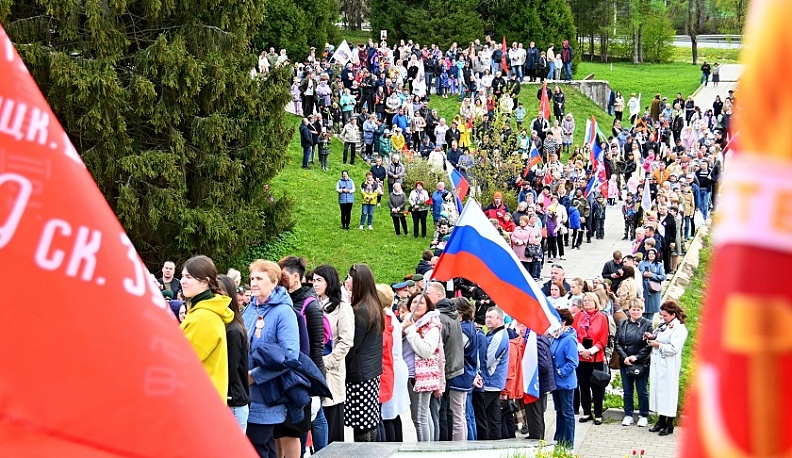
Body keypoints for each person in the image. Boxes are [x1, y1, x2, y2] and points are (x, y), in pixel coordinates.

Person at [243, 260, 300, 458]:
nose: (254, 282)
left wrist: (255, 376)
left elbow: (290, 356)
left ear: (274, 282)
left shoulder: (283, 312)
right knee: (262, 447)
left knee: (258, 446)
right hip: (245, 394)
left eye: (259, 278)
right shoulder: (250, 308)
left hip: (267, 394)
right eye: (252, 278)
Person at [179, 256, 234, 400]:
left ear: (205, 282)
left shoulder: (204, 317)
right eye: (182, 276)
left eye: (189, 277)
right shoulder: (201, 311)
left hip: (198, 403)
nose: (182, 281)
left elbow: (182, 362)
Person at [313, 265, 354, 444]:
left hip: (332, 370)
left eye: (319, 280)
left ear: (329, 281)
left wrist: (328, 361)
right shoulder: (313, 304)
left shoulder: (342, 308)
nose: (315, 284)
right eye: (313, 280)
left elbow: (346, 341)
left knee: (332, 423)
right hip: (314, 369)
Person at [344, 264, 385, 442]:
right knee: (369, 421)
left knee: (361, 424)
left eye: (349, 277)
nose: (346, 281)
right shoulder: (373, 304)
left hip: (359, 373)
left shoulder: (359, 310)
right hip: (371, 370)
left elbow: (352, 345)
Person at [402, 292, 445, 442]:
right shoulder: (412, 322)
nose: (416, 305)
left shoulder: (431, 325)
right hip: (411, 375)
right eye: (414, 302)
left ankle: (424, 450)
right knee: (424, 416)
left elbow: (426, 351)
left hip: (421, 377)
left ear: (428, 306)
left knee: (419, 419)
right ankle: (429, 448)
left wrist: (410, 331)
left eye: (421, 302)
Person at [426, 282, 465, 442]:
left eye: (428, 294)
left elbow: (435, 349)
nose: (425, 297)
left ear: (439, 296)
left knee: (439, 412)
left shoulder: (440, 317)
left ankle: (441, 444)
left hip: (444, 371)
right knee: (445, 411)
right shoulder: (452, 313)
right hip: (453, 368)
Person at [647, 300, 689, 436]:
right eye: (662, 315)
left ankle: (669, 423)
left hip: (669, 364)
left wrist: (658, 345)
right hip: (658, 363)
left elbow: (674, 348)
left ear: (673, 315)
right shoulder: (664, 325)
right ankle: (661, 420)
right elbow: (659, 337)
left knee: (668, 394)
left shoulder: (679, 329)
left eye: (665, 315)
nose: (663, 318)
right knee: (659, 392)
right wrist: (651, 337)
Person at [376, 284, 410, 442]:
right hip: (395, 367)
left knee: (388, 415)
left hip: (390, 368)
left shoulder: (386, 319)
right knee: (392, 415)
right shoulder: (390, 317)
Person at [217, 274, 251, 432]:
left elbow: (230, 370)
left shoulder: (233, 330)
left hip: (234, 403)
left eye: (220, 294)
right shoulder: (222, 325)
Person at [448, 297, 483, 441]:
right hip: (466, 375)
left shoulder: (464, 330)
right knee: (464, 414)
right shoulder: (470, 326)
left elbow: (457, 349)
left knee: (460, 415)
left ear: (460, 312)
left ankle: (463, 445)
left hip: (461, 376)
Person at [572, 292, 609, 425]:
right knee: (583, 385)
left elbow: (603, 338)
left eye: (589, 300)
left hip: (595, 357)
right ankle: (586, 412)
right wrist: (582, 349)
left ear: (595, 302)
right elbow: (573, 334)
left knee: (596, 386)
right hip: (581, 356)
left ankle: (598, 413)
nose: (586, 302)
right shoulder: (578, 316)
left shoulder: (602, 317)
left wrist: (591, 351)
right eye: (585, 300)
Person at [615, 298, 653, 428]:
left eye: (639, 309)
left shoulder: (647, 323)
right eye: (633, 309)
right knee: (627, 390)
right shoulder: (622, 323)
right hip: (625, 361)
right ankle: (628, 414)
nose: (636, 312)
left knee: (642, 390)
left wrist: (636, 357)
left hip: (640, 362)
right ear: (629, 310)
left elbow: (648, 345)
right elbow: (617, 342)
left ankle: (643, 415)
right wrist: (625, 357)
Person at [473, 306, 510, 440]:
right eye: (486, 317)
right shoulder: (493, 333)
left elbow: (488, 360)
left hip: (490, 382)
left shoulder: (499, 336)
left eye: (491, 317)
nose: (487, 320)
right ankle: (496, 443)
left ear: (500, 319)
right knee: (493, 418)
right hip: (494, 382)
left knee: (482, 415)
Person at [550, 308, 579, 448]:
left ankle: (568, 442)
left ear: (563, 322)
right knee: (559, 411)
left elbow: (573, 362)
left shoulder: (569, 339)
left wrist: (560, 372)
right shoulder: (557, 336)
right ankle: (559, 438)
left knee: (567, 412)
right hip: (556, 382)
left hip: (565, 382)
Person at [638, 248, 666, 320]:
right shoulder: (642, 263)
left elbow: (663, 276)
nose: (651, 255)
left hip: (654, 290)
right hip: (644, 288)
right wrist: (643, 273)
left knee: (651, 312)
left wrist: (652, 275)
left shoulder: (659, 265)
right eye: (649, 253)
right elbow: (637, 273)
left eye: (653, 254)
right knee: (642, 310)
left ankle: (649, 327)